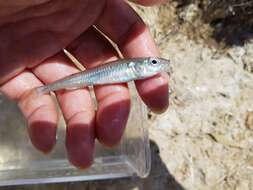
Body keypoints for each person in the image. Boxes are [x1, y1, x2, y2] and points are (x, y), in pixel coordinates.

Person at [0, 0, 169, 169]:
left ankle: (44, 90)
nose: (156, 64)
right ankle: (43, 90)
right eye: (153, 62)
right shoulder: (132, 66)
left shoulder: (133, 68)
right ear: (135, 66)